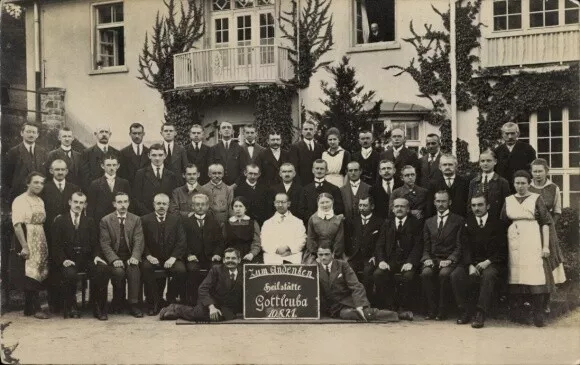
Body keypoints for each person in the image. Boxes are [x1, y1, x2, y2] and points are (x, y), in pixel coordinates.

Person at [501, 170, 557, 327]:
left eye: (523, 183)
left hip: (532, 237)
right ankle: (518, 313)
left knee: (534, 273)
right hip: (513, 239)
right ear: (514, 184)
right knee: (516, 274)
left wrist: (545, 246)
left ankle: (538, 313)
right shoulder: (509, 199)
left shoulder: (535, 198)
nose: (520, 186)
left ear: (528, 183)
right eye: (517, 183)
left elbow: (545, 223)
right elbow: (503, 221)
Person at [451, 194, 507, 328]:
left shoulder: (498, 224)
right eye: (474, 205)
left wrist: (488, 261)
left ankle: (480, 313)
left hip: (492, 262)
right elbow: (464, 246)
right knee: (456, 275)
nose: (477, 208)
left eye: (480, 205)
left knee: (488, 275)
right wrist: (469, 264)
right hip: (471, 261)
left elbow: (502, 249)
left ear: (487, 206)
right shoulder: (467, 223)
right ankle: (465, 311)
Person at [51, 192, 110, 320]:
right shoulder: (60, 220)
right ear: (70, 202)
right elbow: (55, 245)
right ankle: (72, 306)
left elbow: (95, 243)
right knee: (70, 273)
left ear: (85, 205)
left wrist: (96, 256)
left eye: (81, 202)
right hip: (68, 260)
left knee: (102, 269)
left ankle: (98, 306)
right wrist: (63, 259)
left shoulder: (89, 221)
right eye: (76, 202)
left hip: (86, 259)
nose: (78, 205)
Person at [317, 246, 399, 322]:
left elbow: (356, 285)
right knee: (349, 314)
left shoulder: (342, 265)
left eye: (327, 254)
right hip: (332, 307)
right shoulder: (314, 268)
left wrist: (360, 305)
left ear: (333, 254)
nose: (323, 257)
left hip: (347, 302)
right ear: (317, 255)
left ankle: (396, 315)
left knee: (360, 313)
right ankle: (396, 315)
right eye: (321, 255)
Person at [159, 248, 243, 322]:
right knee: (198, 314)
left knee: (219, 317)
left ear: (239, 260)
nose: (230, 261)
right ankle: (175, 308)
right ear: (224, 260)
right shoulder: (216, 270)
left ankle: (176, 311)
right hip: (211, 301)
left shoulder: (245, 271)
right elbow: (203, 289)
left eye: (233, 258)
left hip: (227, 306)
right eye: (227, 258)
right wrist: (211, 307)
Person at [41, 159, 80, 313]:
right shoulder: (45, 188)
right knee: (53, 264)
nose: (60, 172)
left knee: (67, 263)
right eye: (57, 169)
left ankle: (69, 300)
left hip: (68, 232)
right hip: (49, 231)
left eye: (63, 169)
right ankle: (54, 301)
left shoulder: (73, 188)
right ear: (51, 171)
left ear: (67, 171)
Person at [374, 198, 422, 320]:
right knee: (378, 274)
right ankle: (389, 307)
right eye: (396, 206)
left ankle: (403, 308)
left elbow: (418, 246)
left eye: (402, 206)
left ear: (408, 209)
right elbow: (379, 245)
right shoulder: (387, 223)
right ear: (393, 209)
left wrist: (411, 262)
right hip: (390, 260)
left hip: (407, 261)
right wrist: (382, 261)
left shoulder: (416, 223)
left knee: (407, 277)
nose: (399, 209)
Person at [10, 172, 50, 319]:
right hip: (27, 234)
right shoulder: (20, 200)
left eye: (41, 183)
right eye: (35, 182)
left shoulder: (40, 200)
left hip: (40, 235)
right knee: (29, 270)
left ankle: (31, 307)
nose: (39, 185)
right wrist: (24, 246)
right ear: (28, 183)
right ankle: (34, 307)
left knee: (39, 269)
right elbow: (17, 224)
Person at [529, 158, 566, 312]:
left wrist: (549, 226)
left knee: (548, 263)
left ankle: (546, 301)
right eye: (535, 171)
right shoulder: (527, 187)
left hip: (547, 231)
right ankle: (531, 300)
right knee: (532, 264)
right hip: (530, 230)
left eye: (540, 171)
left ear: (546, 171)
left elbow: (557, 211)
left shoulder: (554, 188)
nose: (537, 174)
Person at [99, 192, 144, 318]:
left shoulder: (136, 219)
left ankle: (133, 304)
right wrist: (114, 259)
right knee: (118, 272)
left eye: (125, 202)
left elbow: (138, 241)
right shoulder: (106, 220)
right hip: (115, 255)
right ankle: (118, 301)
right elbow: (105, 244)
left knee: (134, 269)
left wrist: (135, 257)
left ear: (129, 203)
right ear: (114, 204)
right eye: (119, 202)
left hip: (130, 255)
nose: (123, 205)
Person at [420, 190, 464, 320]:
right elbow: (426, 246)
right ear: (434, 202)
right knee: (426, 273)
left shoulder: (458, 220)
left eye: (444, 201)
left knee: (444, 274)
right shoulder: (429, 222)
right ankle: (432, 309)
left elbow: (459, 245)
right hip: (433, 258)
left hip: (449, 259)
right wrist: (427, 258)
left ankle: (442, 310)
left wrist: (450, 259)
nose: (441, 204)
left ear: (449, 202)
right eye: (438, 201)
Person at [141, 194, 187, 315]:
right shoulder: (145, 219)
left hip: (171, 257)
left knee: (181, 270)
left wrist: (173, 258)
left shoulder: (176, 219)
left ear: (168, 205)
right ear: (154, 205)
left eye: (164, 204)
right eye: (158, 203)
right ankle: (154, 301)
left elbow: (181, 241)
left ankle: (170, 298)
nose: (161, 206)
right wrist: (148, 255)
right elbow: (141, 241)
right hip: (152, 257)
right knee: (146, 268)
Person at [182, 193, 224, 305]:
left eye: (203, 204)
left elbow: (220, 241)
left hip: (210, 257)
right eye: (197, 204)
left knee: (216, 269)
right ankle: (192, 300)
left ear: (207, 206)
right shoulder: (185, 222)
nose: (200, 207)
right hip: (193, 257)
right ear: (192, 207)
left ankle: (214, 300)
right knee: (192, 270)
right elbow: (182, 242)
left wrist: (217, 254)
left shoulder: (214, 222)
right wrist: (188, 255)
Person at [345, 196, 382, 303]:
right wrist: (348, 255)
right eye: (360, 205)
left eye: (365, 205)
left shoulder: (379, 222)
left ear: (372, 206)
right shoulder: (352, 221)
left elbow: (381, 242)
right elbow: (347, 239)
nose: (362, 208)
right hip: (355, 256)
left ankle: (367, 302)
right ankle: (352, 301)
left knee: (368, 273)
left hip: (371, 257)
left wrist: (376, 256)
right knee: (349, 271)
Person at [3, 122, 48, 201]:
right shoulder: (13, 152)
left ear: (37, 135)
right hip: (19, 195)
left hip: (39, 196)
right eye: (28, 132)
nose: (31, 135)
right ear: (21, 133)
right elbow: (7, 177)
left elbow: (45, 174)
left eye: (34, 132)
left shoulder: (43, 152)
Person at [133, 144, 180, 215]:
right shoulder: (141, 173)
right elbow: (137, 199)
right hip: (146, 216)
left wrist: (166, 213)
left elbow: (173, 198)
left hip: (166, 215)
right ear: (149, 156)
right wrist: (149, 215)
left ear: (165, 156)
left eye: (160, 155)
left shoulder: (171, 175)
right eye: (154, 155)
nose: (157, 158)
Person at [261, 193, 306, 264]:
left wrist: (289, 248)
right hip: (273, 256)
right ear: (274, 204)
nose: (280, 205)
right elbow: (264, 242)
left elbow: (301, 240)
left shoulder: (298, 222)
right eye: (277, 202)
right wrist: (276, 249)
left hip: (293, 255)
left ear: (288, 204)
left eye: (283, 202)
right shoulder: (267, 223)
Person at [87, 153, 131, 226]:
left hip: (119, 220)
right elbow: (91, 208)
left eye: (114, 165)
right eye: (108, 165)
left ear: (118, 166)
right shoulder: (95, 184)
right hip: (101, 221)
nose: (111, 168)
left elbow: (129, 205)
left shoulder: (124, 183)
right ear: (102, 166)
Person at [467, 149, 510, 220]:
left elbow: (506, 206)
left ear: (495, 162)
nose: (485, 163)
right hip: (478, 221)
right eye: (482, 161)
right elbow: (469, 205)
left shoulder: (502, 182)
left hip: (496, 221)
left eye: (489, 160)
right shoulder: (474, 182)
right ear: (479, 163)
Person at [304, 193, 345, 264]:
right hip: (316, 254)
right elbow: (311, 239)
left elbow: (339, 240)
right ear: (318, 204)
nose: (325, 205)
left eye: (327, 202)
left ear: (332, 202)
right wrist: (317, 255)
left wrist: (333, 255)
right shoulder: (313, 219)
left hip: (334, 253)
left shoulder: (338, 219)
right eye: (322, 203)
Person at [494, 122, 537, 190]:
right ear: (502, 134)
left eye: (512, 133)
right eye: (507, 134)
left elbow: (534, 168)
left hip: (522, 188)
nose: (510, 137)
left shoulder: (528, 149)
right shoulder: (497, 151)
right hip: (503, 188)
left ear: (518, 134)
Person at [80, 125, 119, 191]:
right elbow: (85, 178)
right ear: (95, 134)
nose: (104, 134)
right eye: (101, 132)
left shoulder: (116, 153)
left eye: (106, 132)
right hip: (94, 193)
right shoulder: (87, 153)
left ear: (110, 134)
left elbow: (118, 176)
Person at [224, 197, 262, 262]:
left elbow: (257, 243)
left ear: (245, 208)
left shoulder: (253, 223)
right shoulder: (226, 224)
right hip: (231, 258)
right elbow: (223, 243)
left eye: (241, 206)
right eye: (236, 206)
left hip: (249, 256)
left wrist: (251, 254)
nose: (238, 209)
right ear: (232, 208)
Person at [209, 121, 246, 186]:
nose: (226, 129)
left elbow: (243, 169)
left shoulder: (239, 149)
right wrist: (218, 183)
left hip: (235, 186)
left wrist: (235, 184)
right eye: (223, 127)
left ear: (232, 131)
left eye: (229, 127)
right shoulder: (213, 149)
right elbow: (211, 169)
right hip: (218, 185)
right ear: (220, 132)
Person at [289, 120, 324, 186]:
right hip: (302, 185)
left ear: (314, 131)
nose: (308, 131)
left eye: (311, 129)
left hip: (317, 183)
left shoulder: (320, 147)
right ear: (302, 131)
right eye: (306, 129)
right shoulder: (295, 147)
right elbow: (294, 168)